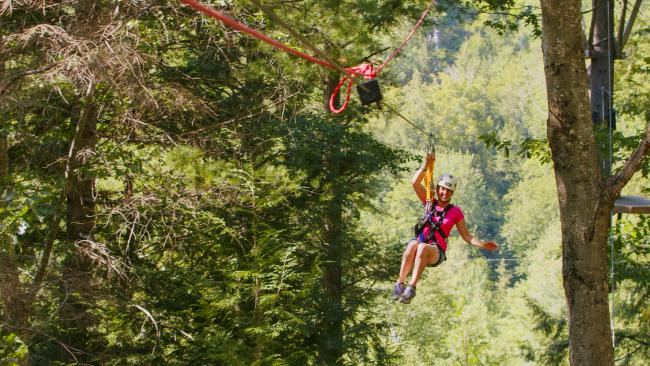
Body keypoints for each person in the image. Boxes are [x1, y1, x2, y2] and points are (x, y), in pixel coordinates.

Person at [392, 152, 499, 304]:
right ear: (438, 188)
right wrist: (425, 164)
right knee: (413, 244)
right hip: (421, 244)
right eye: (442, 189)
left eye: (448, 190)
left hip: (437, 252)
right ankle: (399, 284)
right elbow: (415, 183)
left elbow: (466, 236)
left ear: (452, 193)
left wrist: (482, 244)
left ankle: (411, 288)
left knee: (421, 247)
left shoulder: (455, 212)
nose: (444, 192)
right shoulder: (430, 202)